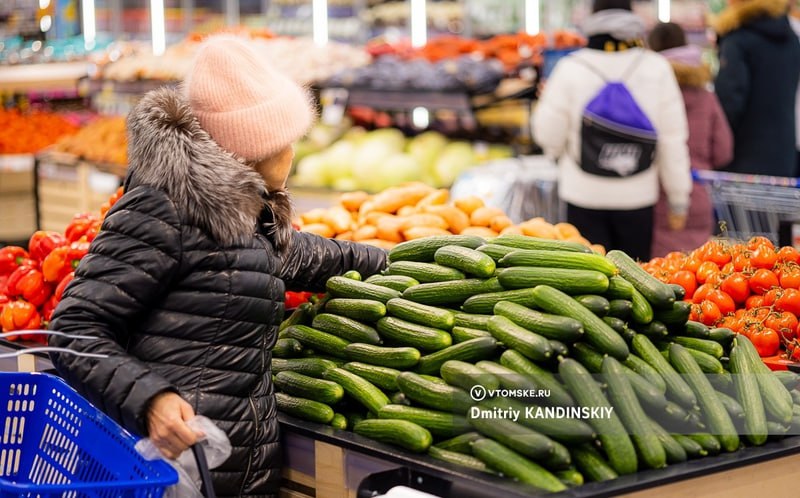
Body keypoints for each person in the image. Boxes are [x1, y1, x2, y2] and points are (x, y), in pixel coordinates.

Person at [47, 36, 387, 496]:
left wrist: (398, 261)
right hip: (176, 467)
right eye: (288, 140)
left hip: (234, 466)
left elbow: (300, 255)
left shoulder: (243, 214)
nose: (294, 151)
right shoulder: (161, 208)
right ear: (256, 146)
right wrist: (151, 401)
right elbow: (74, 327)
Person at [532, 0, 692, 261]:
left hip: (583, 195)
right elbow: (673, 141)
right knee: (634, 284)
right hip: (637, 198)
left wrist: (557, 151)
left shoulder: (570, 67)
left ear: (591, 17)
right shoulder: (656, 67)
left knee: (587, 284)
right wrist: (678, 198)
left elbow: (547, 135)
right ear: (632, 16)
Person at [647, 22, 734, 257]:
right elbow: (724, 149)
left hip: (657, 195)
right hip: (698, 194)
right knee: (699, 275)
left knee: (660, 276)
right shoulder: (706, 96)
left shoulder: (650, 92)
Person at [713, 0, 800, 177]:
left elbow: (729, 100)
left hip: (743, 155)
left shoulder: (737, 39)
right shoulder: (791, 38)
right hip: (784, 153)